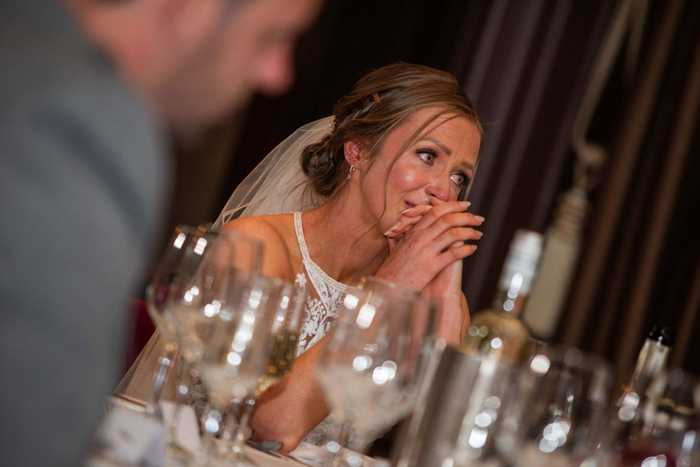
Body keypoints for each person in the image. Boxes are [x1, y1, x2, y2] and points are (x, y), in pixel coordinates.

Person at [0, 0, 322, 466]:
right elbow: (35, 431)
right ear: (194, 9)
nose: (278, 73)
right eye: (272, 35)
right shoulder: (83, 116)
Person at [215, 62, 486, 453]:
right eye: (428, 156)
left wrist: (447, 276)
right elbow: (270, 428)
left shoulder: (433, 296)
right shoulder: (253, 246)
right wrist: (390, 287)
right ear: (357, 150)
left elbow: (449, 446)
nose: (444, 191)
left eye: (460, 177)